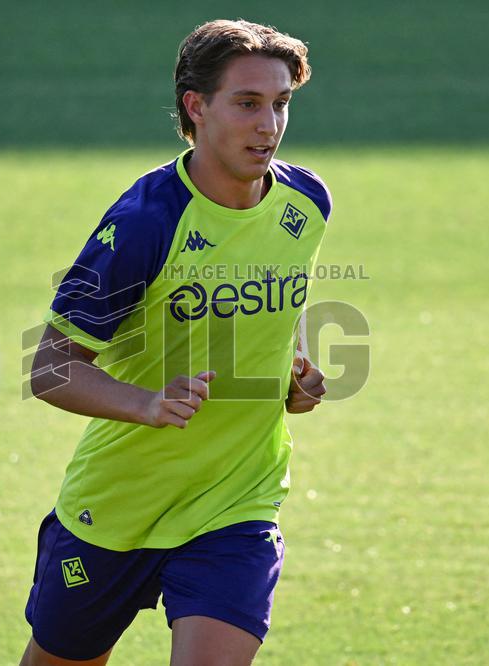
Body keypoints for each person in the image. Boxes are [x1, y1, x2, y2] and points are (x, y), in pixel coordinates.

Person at [20, 18, 332, 666]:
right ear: (197, 106)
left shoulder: (307, 204)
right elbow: (49, 368)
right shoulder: (145, 224)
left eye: (281, 104)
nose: (269, 125)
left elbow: (271, 303)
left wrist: (292, 376)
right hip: (118, 506)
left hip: (236, 503)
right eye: (248, 104)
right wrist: (146, 404)